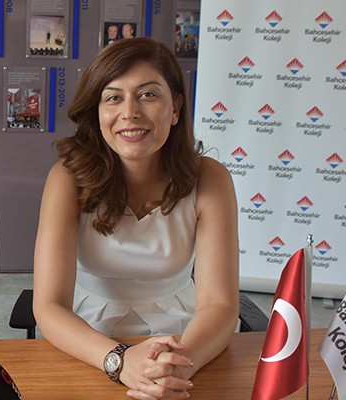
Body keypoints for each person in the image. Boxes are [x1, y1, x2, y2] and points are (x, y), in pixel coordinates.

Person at [33, 37, 239, 400]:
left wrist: (175, 368)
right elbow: (49, 306)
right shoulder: (66, 178)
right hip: (87, 340)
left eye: (148, 95)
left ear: (175, 108)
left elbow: (219, 304)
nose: (130, 112)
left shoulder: (211, 178)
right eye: (113, 98)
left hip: (187, 338)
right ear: (97, 113)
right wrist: (121, 360)